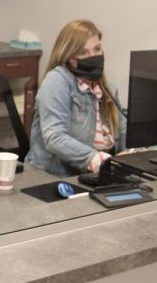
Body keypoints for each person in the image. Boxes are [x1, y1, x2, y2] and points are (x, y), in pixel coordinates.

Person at [25, 19, 126, 177]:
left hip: (96, 176)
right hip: (54, 177)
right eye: (83, 52)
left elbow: (123, 130)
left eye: (97, 49)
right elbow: (55, 137)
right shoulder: (58, 81)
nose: (93, 57)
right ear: (68, 56)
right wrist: (96, 159)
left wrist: (135, 153)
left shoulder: (108, 87)